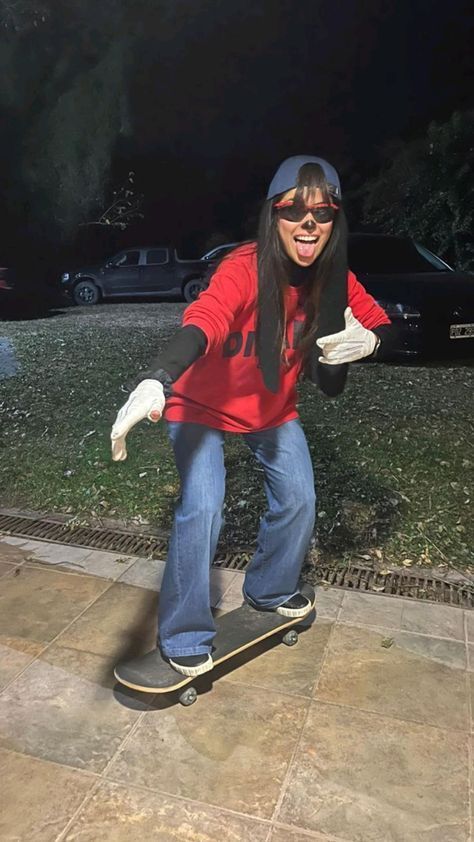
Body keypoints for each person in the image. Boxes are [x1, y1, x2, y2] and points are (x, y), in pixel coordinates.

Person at [111, 155, 393, 678]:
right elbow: (206, 319)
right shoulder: (244, 267)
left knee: (300, 497)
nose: (308, 223)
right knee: (203, 506)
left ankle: (270, 589)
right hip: (198, 406)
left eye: (323, 212)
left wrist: (375, 340)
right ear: (274, 216)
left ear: (335, 220)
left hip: (269, 409)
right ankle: (184, 635)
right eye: (293, 210)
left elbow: (389, 325)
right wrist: (158, 375)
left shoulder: (334, 280)